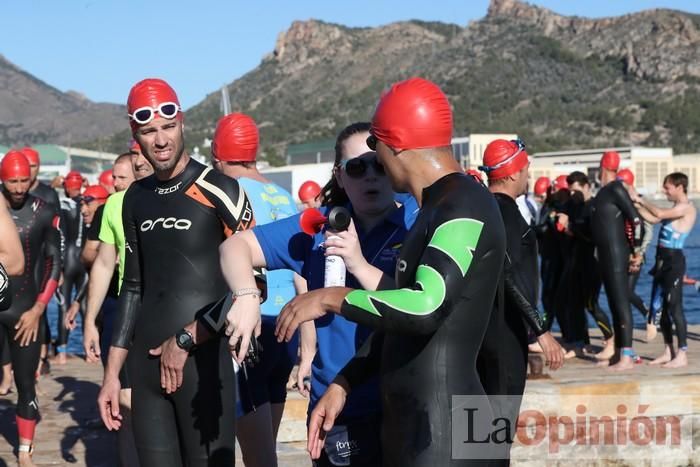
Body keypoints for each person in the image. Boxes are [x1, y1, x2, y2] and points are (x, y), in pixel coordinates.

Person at [265, 78, 508, 465]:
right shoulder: (436, 206)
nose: (375, 158)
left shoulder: (464, 203)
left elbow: (426, 306)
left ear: (395, 144)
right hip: (427, 423)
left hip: (448, 431)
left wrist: (332, 298)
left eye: (376, 147)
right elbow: (400, 321)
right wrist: (345, 382)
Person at [219, 121, 411, 466]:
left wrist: (357, 264)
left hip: (405, 402)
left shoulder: (418, 221)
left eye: (379, 164)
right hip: (336, 410)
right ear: (339, 176)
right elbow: (235, 247)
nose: (371, 175)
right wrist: (247, 295)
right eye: (357, 167)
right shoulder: (317, 226)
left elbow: (417, 307)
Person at [97, 78, 254, 466]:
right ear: (136, 135)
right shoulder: (135, 197)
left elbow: (253, 287)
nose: (161, 140)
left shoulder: (221, 189)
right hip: (145, 369)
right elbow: (132, 288)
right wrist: (112, 375)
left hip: (202, 364)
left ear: (182, 123)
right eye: (149, 131)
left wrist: (185, 339)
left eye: (168, 127)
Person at [211, 112, 299, 467]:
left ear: (218, 154)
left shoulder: (229, 194)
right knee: (266, 450)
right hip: (287, 326)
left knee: (252, 454)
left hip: (249, 328)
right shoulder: (282, 195)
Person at [477, 138, 564, 461]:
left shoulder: (482, 212)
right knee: (497, 441)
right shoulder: (509, 218)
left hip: (478, 336)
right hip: (505, 338)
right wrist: (540, 330)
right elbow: (507, 275)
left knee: (473, 438)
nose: (528, 176)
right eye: (526, 170)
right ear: (513, 174)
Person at [83, 150, 147, 467]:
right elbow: (104, 263)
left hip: (166, 314)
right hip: (127, 311)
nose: (115, 183)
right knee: (126, 399)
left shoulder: (164, 198)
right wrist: (90, 320)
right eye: (115, 177)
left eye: (122, 177)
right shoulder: (112, 205)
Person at [0, 150, 61, 466]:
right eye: (12, 181)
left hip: (26, 310)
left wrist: (39, 308)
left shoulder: (44, 211)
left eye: (25, 180)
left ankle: (25, 451)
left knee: (26, 383)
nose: (20, 187)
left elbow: (54, 263)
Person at [632, 172, 697, 368]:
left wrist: (641, 200)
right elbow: (653, 219)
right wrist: (633, 206)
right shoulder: (675, 208)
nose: (664, 191)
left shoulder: (687, 208)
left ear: (679, 187)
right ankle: (669, 350)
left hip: (674, 261)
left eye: (667, 187)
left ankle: (682, 353)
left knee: (674, 307)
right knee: (660, 308)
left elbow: (659, 214)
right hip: (661, 262)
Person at [590, 151, 644, 371]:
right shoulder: (603, 192)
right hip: (604, 256)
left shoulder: (615, 189)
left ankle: (627, 356)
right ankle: (619, 353)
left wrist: (636, 251)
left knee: (621, 304)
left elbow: (636, 220)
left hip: (616, 255)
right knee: (613, 303)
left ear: (603, 167)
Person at [566, 171, 615, 358]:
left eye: (576, 191)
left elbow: (593, 236)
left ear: (586, 186)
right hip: (578, 261)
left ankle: (610, 340)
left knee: (591, 304)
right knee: (575, 304)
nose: (573, 195)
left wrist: (572, 229)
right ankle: (581, 343)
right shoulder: (576, 206)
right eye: (571, 192)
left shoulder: (594, 207)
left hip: (593, 262)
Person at [616, 169, 655, 340]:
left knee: (626, 291)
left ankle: (649, 315)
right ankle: (623, 330)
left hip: (636, 253)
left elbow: (648, 231)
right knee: (620, 292)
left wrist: (639, 254)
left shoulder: (638, 203)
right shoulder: (617, 200)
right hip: (621, 254)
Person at [63, 185, 109, 331]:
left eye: (88, 203)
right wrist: (77, 302)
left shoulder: (110, 232)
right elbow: (91, 274)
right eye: (81, 204)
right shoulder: (92, 233)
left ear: (102, 203)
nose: (83, 210)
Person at [54, 170, 88, 364]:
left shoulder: (60, 203)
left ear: (66, 186)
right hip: (83, 261)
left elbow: (60, 235)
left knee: (63, 307)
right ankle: (88, 349)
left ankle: (62, 352)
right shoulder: (87, 203)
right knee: (83, 306)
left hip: (66, 261)